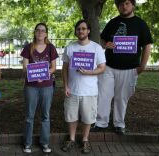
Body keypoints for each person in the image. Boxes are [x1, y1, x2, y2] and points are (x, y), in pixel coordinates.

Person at [91, 0, 153, 134]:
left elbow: (147, 45)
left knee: (121, 97)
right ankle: (101, 123)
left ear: (132, 5)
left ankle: (119, 124)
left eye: (126, 3)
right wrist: (105, 44)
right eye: (120, 4)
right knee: (103, 95)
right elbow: (102, 40)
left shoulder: (141, 24)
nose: (123, 7)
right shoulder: (112, 22)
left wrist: (142, 66)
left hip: (130, 69)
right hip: (109, 67)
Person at [60, 20, 106, 154]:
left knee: (88, 118)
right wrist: (66, 86)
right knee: (71, 116)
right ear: (76, 31)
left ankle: (85, 140)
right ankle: (72, 139)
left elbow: (102, 68)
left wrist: (90, 72)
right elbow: (64, 68)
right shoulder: (70, 47)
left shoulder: (96, 47)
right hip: (72, 90)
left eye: (84, 29)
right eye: (79, 29)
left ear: (88, 31)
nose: (81, 31)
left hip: (90, 91)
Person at [20, 23, 58, 154]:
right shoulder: (28, 47)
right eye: (38, 30)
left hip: (47, 86)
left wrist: (45, 74)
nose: (40, 32)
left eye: (43, 30)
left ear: (46, 33)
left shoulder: (51, 48)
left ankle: (45, 143)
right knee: (29, 116)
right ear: (35, 32)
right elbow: (25, 68)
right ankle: (27, 144)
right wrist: (34, 75)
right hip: (31, 86)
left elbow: (54, 67)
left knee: (45, 116)